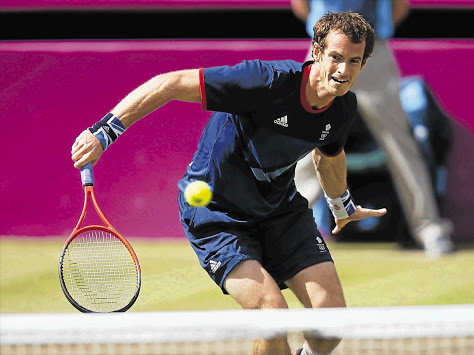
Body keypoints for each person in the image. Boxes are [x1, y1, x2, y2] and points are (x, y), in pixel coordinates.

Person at [71, 12, 386, 355]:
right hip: (216, 215)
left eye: (354, 61)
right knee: (272, 319)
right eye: (336, 58)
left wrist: (340, 204)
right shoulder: (265, 81)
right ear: (317, 51)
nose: (343, 71)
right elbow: (171, 83)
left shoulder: (342, 108)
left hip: (280, 212)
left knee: (330, 328)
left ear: (364, 63)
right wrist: (105, 131)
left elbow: (328, 154)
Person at [291, 0, 455, 258]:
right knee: (304, 146)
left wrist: (364, 40)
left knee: (399, 145)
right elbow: (300, 5)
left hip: (372, 54)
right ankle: (289, 234)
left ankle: (428, 229)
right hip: (325, 54)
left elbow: (399, 6)